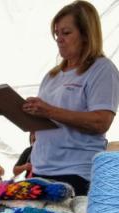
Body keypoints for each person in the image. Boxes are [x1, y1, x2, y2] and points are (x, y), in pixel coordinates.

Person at [20, 1, 119, 196]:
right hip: (39, 170)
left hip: (75, 173)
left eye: (66, 33)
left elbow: (101, 121)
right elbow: (42, 122)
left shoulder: (102, 70)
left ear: (86, 35)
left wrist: (49, 110)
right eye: (56, 33)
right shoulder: (51, 76)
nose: (59, 39)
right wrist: (11, 109)